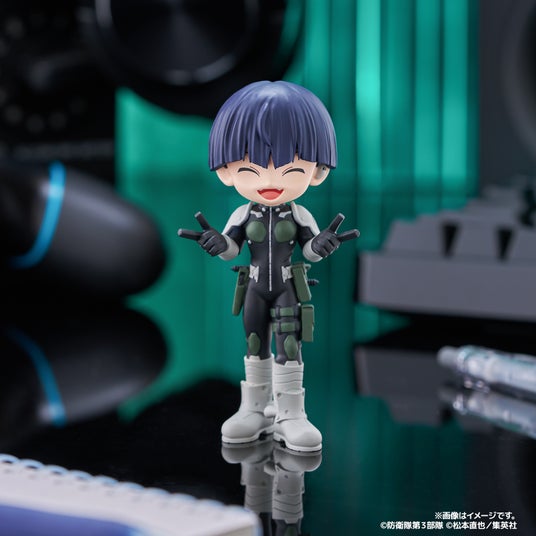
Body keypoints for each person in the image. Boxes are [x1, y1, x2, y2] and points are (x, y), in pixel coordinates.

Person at [178, 81, 358, 452]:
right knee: (254, 342)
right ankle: (254, 408)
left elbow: (310, 251)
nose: (270, 179)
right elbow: (231, 249)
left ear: (317, 171)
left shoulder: (300, 214)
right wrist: (218, 243)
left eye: (290, 168)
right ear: (226, 171)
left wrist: (322, 244)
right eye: (251, 167)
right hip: (255, 288)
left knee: (289, 344)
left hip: (288, 288)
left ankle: (291, 414)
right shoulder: (243, 213)